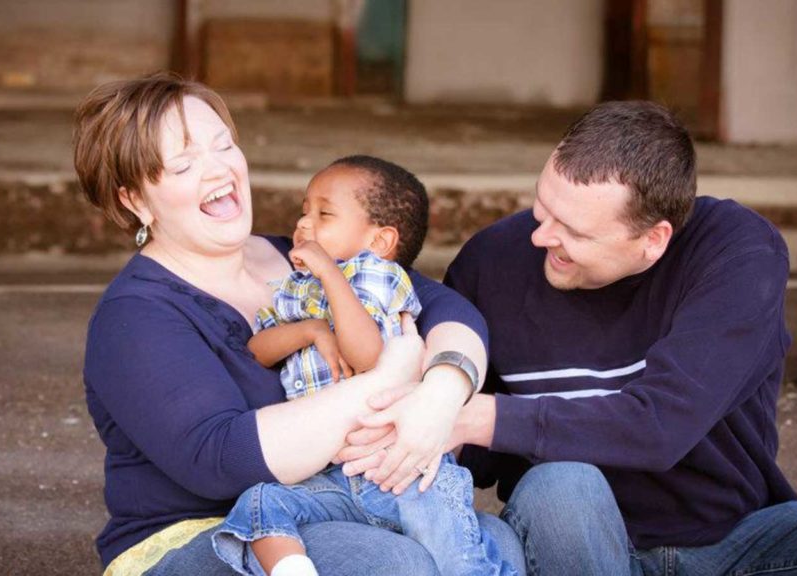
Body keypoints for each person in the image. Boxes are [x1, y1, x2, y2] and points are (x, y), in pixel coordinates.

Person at [74, 73, 522, 575]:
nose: (217, 169)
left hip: (331, 505)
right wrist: (388, 379)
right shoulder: (135, 317)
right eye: (183, 164)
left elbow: (445, 309)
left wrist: (440, 393)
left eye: (223, 144)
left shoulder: (300, 257)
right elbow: (222, 460)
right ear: (134, 200)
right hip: (198, 535)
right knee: (395, 563)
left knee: (495, 542)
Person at [414, 100, 797, 575]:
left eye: (573, 230)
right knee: (564, 485)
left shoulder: (734, 251)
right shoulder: (491, 263)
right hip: (574, 545)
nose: (541, 238)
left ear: (653, 239)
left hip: (734, 547)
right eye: (543, 207)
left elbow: (661, 425)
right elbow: (470, 456)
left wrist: (478, 417)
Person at [212, 155, 517, 576]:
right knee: (261, 502)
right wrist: (310, 330)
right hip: (333, 476)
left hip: (402, 474)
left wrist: (328, 274)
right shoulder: (295, 290)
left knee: (460, 562)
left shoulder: (377, 276)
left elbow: (367, 355)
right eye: (304, 211)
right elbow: (258, 350)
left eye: (324, 214)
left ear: (379, 241)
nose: (303, 225)